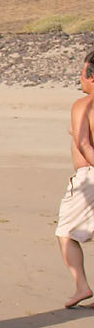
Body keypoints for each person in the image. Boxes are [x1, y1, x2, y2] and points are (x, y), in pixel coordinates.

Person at [55, 49, 94, 307]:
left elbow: (83, 143)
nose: (79, 78)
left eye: (82, 73)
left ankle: (81, 286)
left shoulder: (84, 104)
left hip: (89, 178)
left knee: (66, 232)